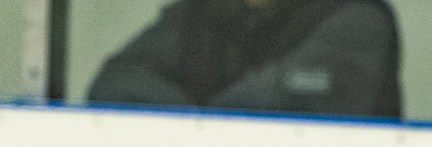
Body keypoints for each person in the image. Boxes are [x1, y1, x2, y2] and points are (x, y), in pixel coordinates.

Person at [87, 0, 401, 119]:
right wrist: (197, 120)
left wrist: (195, 125)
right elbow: (115, 84)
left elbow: (275, 108)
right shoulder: (200, 13)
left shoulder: (357, 18)